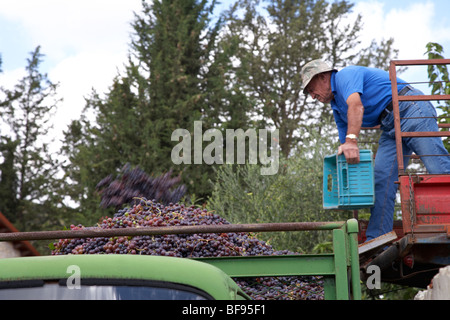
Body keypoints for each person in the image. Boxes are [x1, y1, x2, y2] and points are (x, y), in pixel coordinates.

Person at [300, 59, 450, 241]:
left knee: (439, 169)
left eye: (311, 89)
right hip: (390, 127)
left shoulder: (345, 77)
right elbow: (345, 144)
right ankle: (378, 240)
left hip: (411, 108)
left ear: (323, 77)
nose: (312, 96)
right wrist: (345, 179)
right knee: (381, 182)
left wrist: (352, 141)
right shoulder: (337, 107)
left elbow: (356, 106)